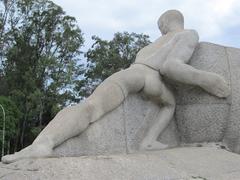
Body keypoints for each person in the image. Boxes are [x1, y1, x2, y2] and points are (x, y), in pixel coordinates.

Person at [1, 10, 230, 164]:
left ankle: (44, 143)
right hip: (157, 86)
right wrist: (204, 79)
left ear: (164, 23)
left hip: (137, 74)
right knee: (169, 104)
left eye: (160, 25)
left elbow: (171, 67)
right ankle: (149, 140)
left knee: (91, 107)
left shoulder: (167, 40)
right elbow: (169, 68)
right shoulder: (185, 36)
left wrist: (206, 79)